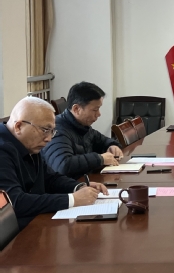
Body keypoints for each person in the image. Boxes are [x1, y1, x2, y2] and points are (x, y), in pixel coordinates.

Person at [0, 97, 107, 229]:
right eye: (45, 130)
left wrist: (79, 187)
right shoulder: (2, 149)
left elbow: (50, 178)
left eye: (52, 131)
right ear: (18, 126)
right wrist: (72, 199)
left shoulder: (28, 143)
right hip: (16, 235)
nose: (49, 139)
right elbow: (14, 203)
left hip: (35, 224)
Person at [42, 82, 123, 179]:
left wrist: (112, 146)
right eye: (95, 109)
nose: (99, 114)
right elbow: (63, 165)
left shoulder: (82, 126)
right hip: (69, 186)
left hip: (85, 181)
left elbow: (102, 140)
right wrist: (99, 159)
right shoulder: (57, 130)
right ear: (76, 109)